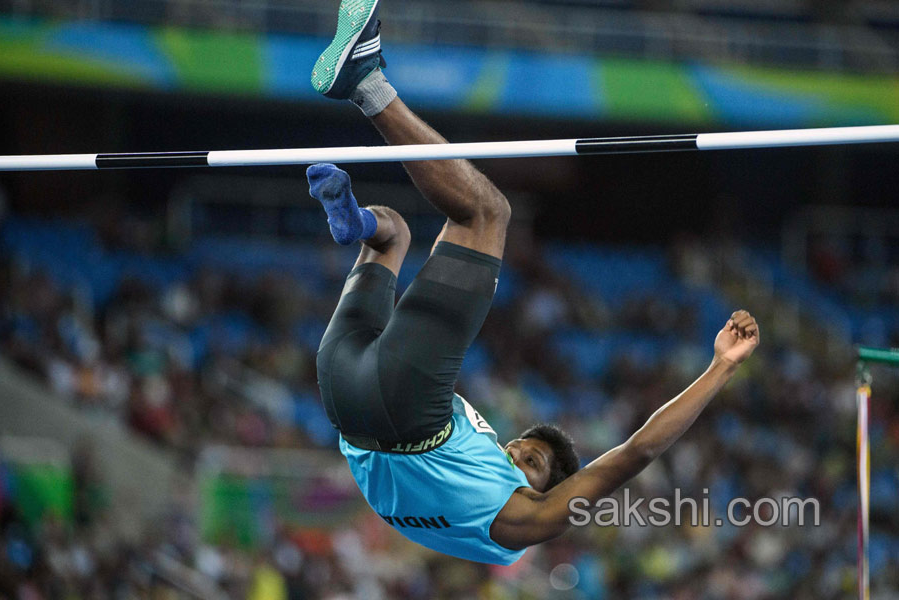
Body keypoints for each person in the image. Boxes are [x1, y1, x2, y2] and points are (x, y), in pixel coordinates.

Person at [309, 0, 760, 565]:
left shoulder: (522, 523)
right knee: (390, 234)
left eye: (531, 465)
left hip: (389, 408)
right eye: (527, 447)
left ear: (547, 492)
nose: (519, 451)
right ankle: (354, 222)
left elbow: (635, 452)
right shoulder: (483, 459)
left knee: (487, 215)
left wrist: (721, 367)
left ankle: (367, 83)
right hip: (342, 389)